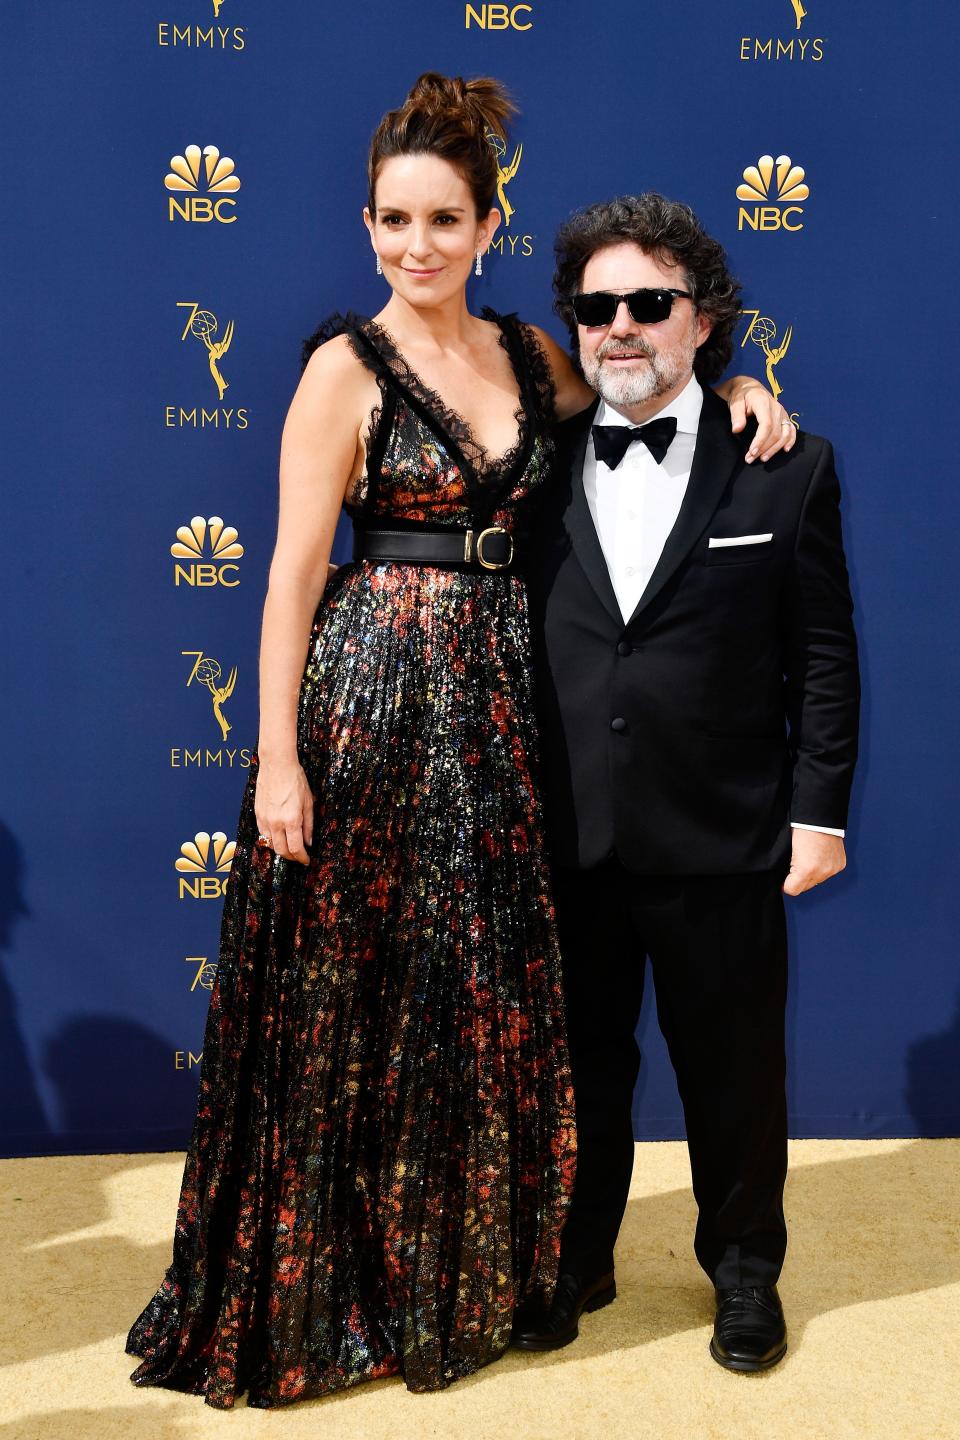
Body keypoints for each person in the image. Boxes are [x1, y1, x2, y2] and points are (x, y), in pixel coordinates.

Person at [125, 79, 794, 1409]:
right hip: (372, 701)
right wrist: (275, 760)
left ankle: (461, 1269)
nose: (416, 245)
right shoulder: (340, 369)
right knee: (360, 997)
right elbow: (289, 581)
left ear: (490, 223)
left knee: (465, 998)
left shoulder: (527, 354)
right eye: (392, 220)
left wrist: (742, 385)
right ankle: (346, 1285)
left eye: (444, 220)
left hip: (502, 713)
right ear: (364, 223)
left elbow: (636, 394)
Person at [513, 193, 860, 1372]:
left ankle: (747, 1275)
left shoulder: (784, 464)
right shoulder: (530, 469)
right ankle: (577, 1257)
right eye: (597, 307)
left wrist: (819, 810)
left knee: (733, 1072)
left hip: (724, 832)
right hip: (567, 827)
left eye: (648, 303)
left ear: (701, 321)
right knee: (579, 1069)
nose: (621, 326)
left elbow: (822, 655)